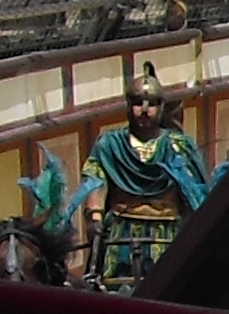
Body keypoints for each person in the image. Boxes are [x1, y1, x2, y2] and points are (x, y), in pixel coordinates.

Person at [81, 63, 217, 289]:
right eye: (137, 103)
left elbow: (195, 194)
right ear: (128, 106)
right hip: (120, 235)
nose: (144, 110)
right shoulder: (109, 144)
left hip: (166, 234)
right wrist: (94, 217)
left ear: (161, 107)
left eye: (152, 104)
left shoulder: (178, 146)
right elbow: (95, 182)